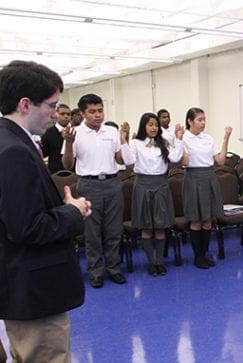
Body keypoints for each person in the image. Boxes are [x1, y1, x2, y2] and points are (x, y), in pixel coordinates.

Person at [0, 60, 91, 363]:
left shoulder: (11, 142)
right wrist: (72, 212)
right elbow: (27, 227)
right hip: (34, 288)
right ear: (25, 104)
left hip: (22, 285)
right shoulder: (14, 152)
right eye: (51, 106)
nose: (56, 115)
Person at [62, 93, 129, 288]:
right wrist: (68, 143)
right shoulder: (73, 133)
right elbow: (67, 164)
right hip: (88, 184)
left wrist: (124, 139)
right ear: (82, 113)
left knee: (114, 230)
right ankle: (95, 271)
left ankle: (114, 268)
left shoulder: (111, 132)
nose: (97, 115)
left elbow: (120, 160)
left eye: (100, 110)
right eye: (92, 112)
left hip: (112, 182)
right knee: (92, 232)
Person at [121, 113, 184, 275]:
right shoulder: (136, 143)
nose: (154, 127)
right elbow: (128, 161)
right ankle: (151, 262)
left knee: (161, 226)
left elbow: (176, 158)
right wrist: (124, 141)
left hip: (161, 185)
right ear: (143, 126)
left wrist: (179, 138)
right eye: (150, 124)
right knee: (147, 227)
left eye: (156, 124)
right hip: (142, 185)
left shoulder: (163, 142)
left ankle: (159, 262)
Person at [180, 107, 232, 269]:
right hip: (193, 177)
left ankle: (205, 253)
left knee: (208, 220)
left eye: (204, 119)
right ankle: (198, 256)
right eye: (199, 120)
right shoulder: (184, 138)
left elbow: (220, 160)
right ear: (190, 121)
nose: (203, 123)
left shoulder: (208, 138)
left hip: (210, 177)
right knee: (196, 220)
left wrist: (226, 138)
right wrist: (178, 140)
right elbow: (185, 162)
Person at [40, 103, 71, 174]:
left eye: (68, 114)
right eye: (62, 114)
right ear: (56, 115)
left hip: (74, 172)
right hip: (55, 172)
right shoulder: (48, 132)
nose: (66, 116)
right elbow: (44, 153)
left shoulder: (76, 131)